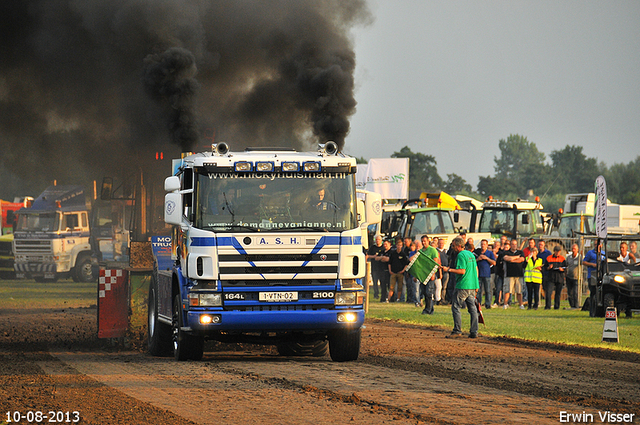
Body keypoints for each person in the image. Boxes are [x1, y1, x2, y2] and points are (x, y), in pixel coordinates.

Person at [442, 237, 480, 338]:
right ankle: (474, 331)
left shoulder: (460, 255)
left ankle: (457, 330)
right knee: (472, 309)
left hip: (463, 285)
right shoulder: (470, 254)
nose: (452, 247)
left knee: (455, 307)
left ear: (459, 246)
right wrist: (477, 285)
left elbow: (462, 271)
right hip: (472, 285)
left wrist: (449, 270)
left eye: (453, 246)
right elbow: (476, 270)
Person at [417, 235, 441, 314]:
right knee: (424, 292)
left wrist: (433, 273)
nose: (423, 243)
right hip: (423, 275)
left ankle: (427, 310)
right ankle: (430, 309)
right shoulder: (421, 251)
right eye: (422, 241)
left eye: (425, 241)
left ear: (428, 241)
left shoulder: (432, 250)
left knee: (429, 292)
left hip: (430, 274)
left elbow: (435, 262)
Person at [583, 242, 604, 316]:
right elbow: (584, 262)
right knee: (593, 294)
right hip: (592, 276)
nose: (597, 246)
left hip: (601, 276)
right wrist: (592, 264)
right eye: (595, 245)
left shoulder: (603, 254)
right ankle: (592, 312)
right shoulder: (590, 253)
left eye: (598, 245)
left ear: (601, 245)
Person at [503, 238, 525, 309]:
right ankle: (505, 304)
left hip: (519, 275)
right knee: (507, 290)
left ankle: (521, 305)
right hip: (509, 275)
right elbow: (506, 258)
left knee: (519, 291)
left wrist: (512, 260)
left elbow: (522, 259)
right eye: (512, 244)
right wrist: (516, 257)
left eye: (515, 244)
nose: (514, 245)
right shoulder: (506, 252)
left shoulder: (520, 252)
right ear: (510, 245)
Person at [474, 239, 496, 309]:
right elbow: (473, 262)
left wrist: (486, 258)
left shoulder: (489, 253)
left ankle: (488, 304)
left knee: (488, 290)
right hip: (478, 274)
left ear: (487, 245)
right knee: (479, 290)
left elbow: (494, 262)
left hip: (487, 274)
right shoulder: (477, 252)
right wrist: (478, 259)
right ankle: (478, 304)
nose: (483, 245)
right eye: (482, 244)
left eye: (484, 244)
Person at [387, 237, 409, 302]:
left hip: (400, 273)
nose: (399, 246)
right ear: (396, 245)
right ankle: (388, 299)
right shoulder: (393, 254)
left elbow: (406, 263)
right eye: (398, 245)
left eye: (400, 245)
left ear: (402, 246)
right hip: (393, 272)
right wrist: (390, 270)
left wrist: (403, 270)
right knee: (391, 286)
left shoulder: (403, 254)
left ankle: (398, 299)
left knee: (400, 287)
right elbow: (389, 263)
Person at [545, 245, 566, 310]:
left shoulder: (562, 258)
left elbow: (565, 268)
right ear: (554, 251)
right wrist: (549, 267)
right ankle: (548, 306)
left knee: (558, 293)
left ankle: (556, 307)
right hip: (551, 277)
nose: (557, 253)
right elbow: (545, 268)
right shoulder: (549, 258)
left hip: (559, 277)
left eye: (558, 251)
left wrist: (562, 270)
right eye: (556, 251)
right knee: (548, 292)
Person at [366, 235, 385, 299]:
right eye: (376, 240)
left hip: (382, 268)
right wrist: (373, 256)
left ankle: (384, 294)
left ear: (381, 241)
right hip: (374, 268)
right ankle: (376, 294)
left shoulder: (383, 248)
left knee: (383, 282)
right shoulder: (372, 248)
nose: (377, 241)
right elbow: (367, 256)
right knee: (375, 282)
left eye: (379, 240)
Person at [565, 243, 581, 309]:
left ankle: (576, 305)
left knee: (575, 292)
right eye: (572, 249)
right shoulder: (569, 257)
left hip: (576, 278)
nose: (573, 250)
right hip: (569, 277)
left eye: (574, 249)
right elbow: (566, 266)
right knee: (569, 292)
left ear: (577, 250)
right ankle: (572, 305)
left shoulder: (579, 258)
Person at [536, 240, 552, 307]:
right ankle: (538, 302)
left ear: (544, 245)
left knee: (546, 289)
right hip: (538, 273)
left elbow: (551, 261)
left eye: (541, 244)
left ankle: (547, 303)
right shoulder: (537, 253)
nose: (540, 246)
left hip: (546, 273)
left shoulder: (548, 253)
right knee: (538, 288)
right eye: (539, 244)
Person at [437, 237, 449, 304]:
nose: (441, 244)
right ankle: (438, 299)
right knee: (439, 286)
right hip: (439, 271)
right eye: (440, 243)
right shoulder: (436, 251)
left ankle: (443, 299)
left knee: (444, 287)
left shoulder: (445, 252)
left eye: (442, 243)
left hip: (446, 271)